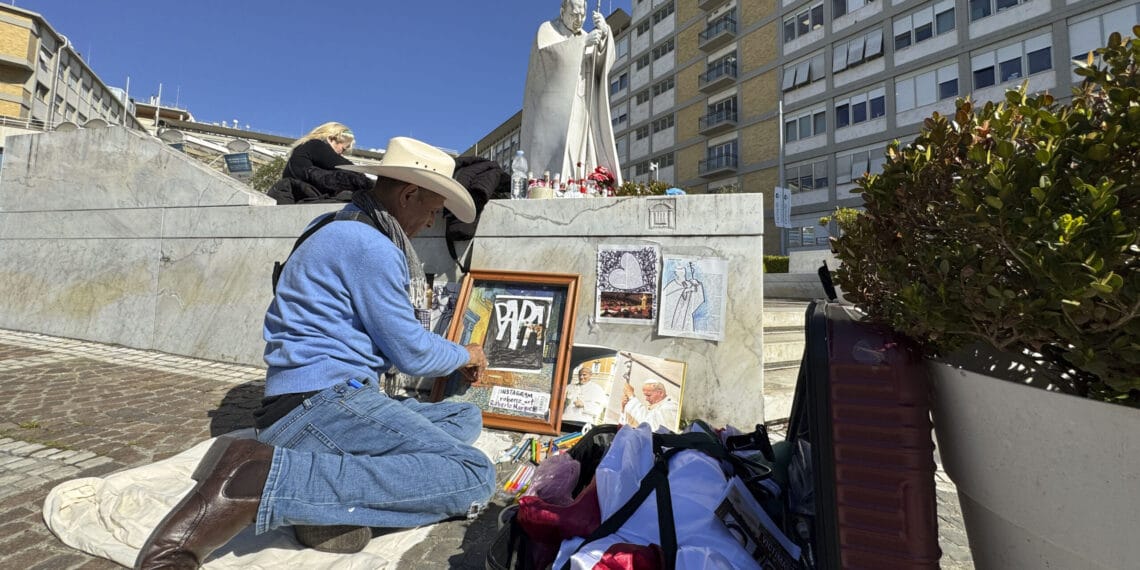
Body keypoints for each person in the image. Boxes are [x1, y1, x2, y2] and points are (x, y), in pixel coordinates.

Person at [136, 137, 497, 569]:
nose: (430, 221)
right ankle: (267, 479)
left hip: (320, 398)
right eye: (433, 208)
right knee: (473, 473)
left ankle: (322, 499)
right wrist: (467, 354)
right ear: (407, 194)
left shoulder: (333, 224)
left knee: (464, 417)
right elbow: (413, 354)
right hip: (319, 403)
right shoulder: (371, 245)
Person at [520, 0, 623, 186]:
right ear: (562, 11)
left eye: (582, 15)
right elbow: (548, 57)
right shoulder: (548, 30)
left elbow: (600, 68)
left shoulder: (585, 34)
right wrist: (582, 44)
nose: (579, 19)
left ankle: (583, 180)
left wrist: (605, 37)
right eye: (574, 14)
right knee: (562, 152)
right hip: (557, 108)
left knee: (581, 150)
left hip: (583, 102)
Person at [268, 121, 372, 204]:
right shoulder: (315, 145)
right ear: (331, 139)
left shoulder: (304, 148)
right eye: (343, 149)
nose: (341, 154)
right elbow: (346, 167)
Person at [660, 263, 705, 331]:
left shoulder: (690, 283)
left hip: (686, 317)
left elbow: (699, 298)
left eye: (683, 271)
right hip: (675, 317)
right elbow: (664, 298)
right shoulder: (672, 285)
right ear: (676, 273)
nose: (682, 273)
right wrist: (685, 291)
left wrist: (697, 284)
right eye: (679, 271)